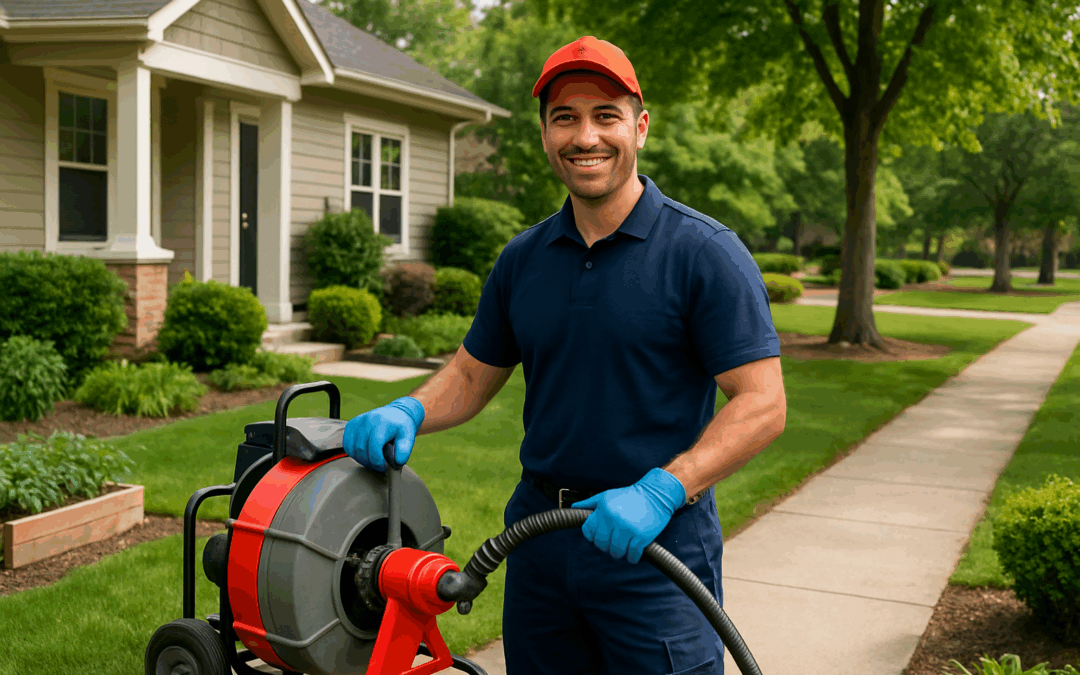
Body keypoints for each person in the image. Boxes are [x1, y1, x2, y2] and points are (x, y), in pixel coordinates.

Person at [343, 36, 787, 675]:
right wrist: (409, 410)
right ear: (546, 135)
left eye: (606, 116)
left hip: (654, 549)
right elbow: (471, 373)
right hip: (541, 542)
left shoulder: (704, 252)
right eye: (565, 118)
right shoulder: (523, 259)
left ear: (640, 127)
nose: (586, 137)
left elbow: (763, 403)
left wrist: (665, 489)